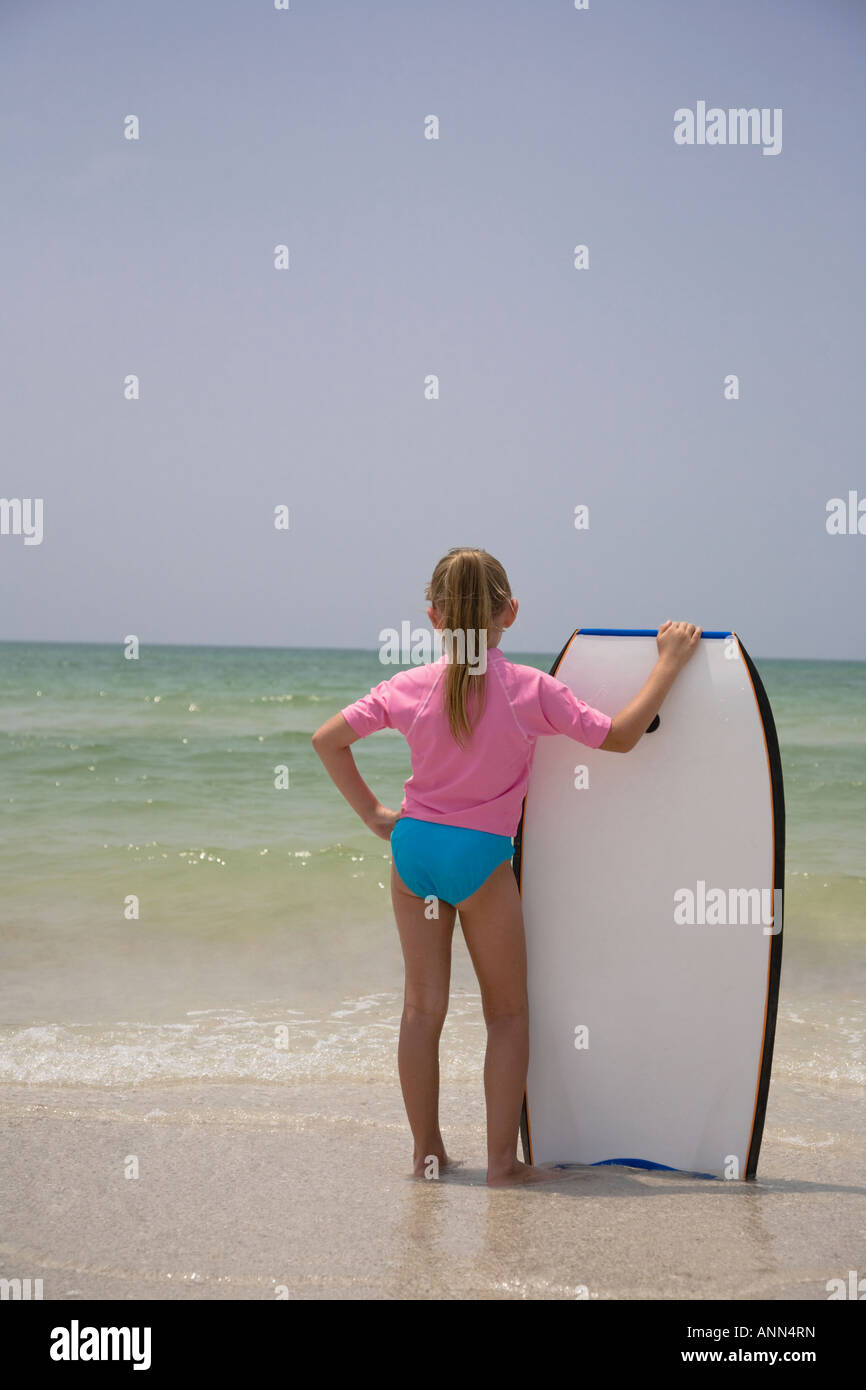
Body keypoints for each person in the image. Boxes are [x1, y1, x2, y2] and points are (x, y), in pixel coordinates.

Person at [312, 547, 701, 1186]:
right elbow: (623, 736)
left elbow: (328, 740)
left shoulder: (406, 687)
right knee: (507, 1014)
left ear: (433, 616)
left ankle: (428, 1156)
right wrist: (669, 663)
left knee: (420, 1012)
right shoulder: (529, 691)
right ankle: (500, 1165)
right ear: (510, 613)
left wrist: (378, 817)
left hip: (413, 854)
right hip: (480, 861)